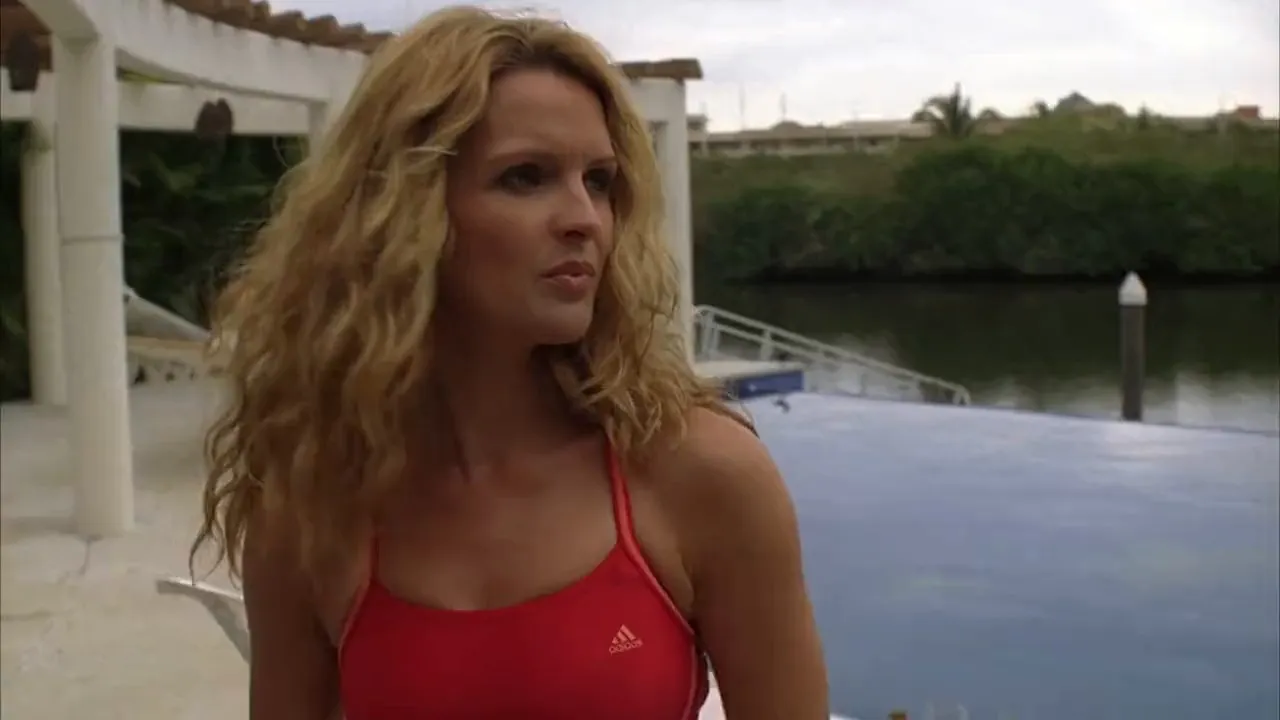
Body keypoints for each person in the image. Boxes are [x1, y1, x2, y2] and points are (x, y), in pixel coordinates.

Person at [191, 6, 829, 719]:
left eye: (598, 180)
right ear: (404, 212)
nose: (584, 218)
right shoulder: (312, 506)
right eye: (526, 177)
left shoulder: (700, 474)